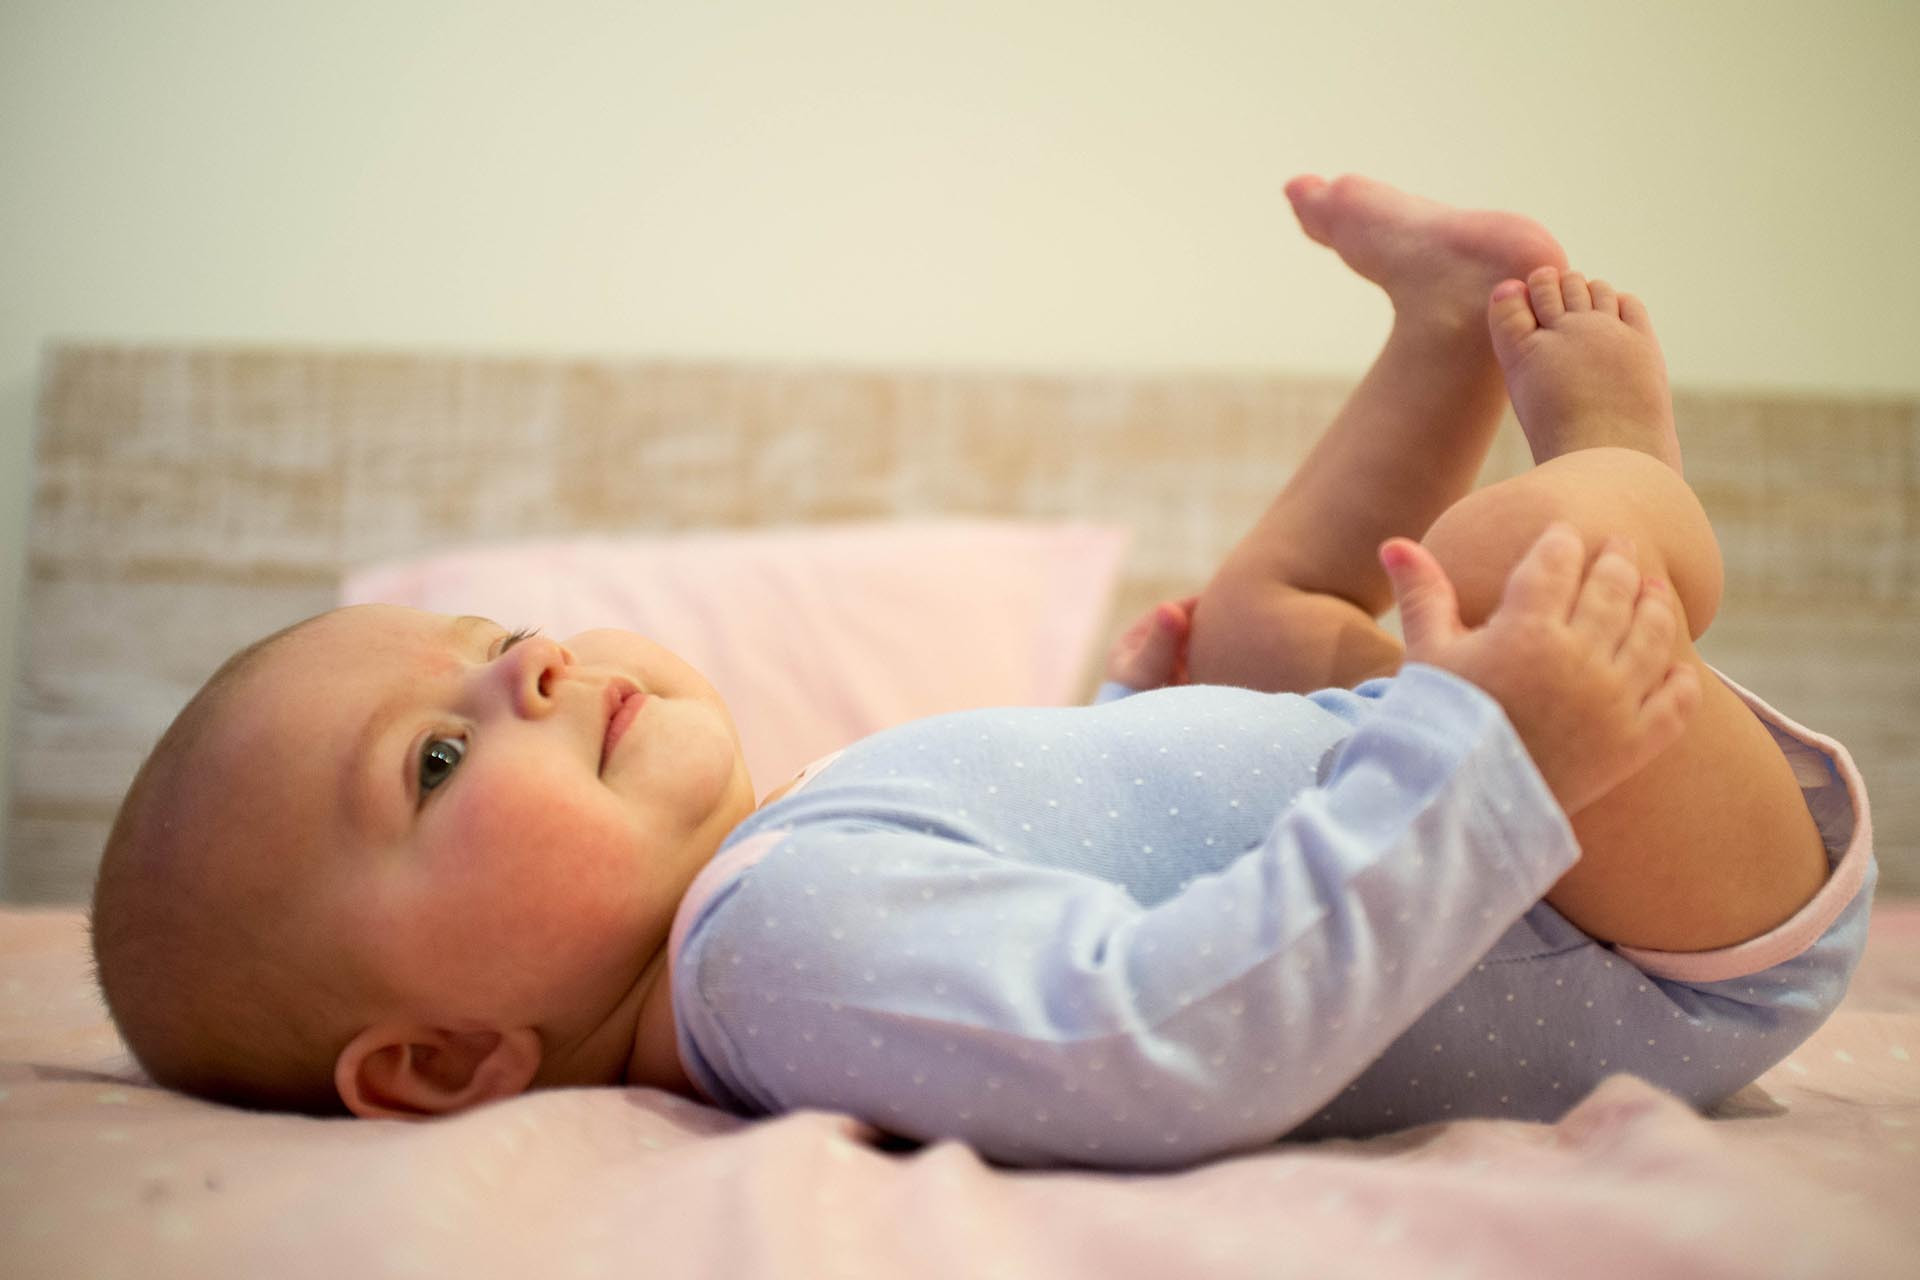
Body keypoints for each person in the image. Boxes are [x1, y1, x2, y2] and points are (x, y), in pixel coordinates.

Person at [88, 176, 1872, 1170]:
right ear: (439, 1064)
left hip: (1504, 817)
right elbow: (1163, 1036)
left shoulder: (774, 882)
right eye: (432, 765)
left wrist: (1141, 738)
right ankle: (1632, 458)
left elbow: (1067, 906)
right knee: (1499, 568)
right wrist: (1490, 754)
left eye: (489, 646)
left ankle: (1433, 344)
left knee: (1256, 619)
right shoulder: (771, 959)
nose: (530, 670)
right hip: (1637, 923)